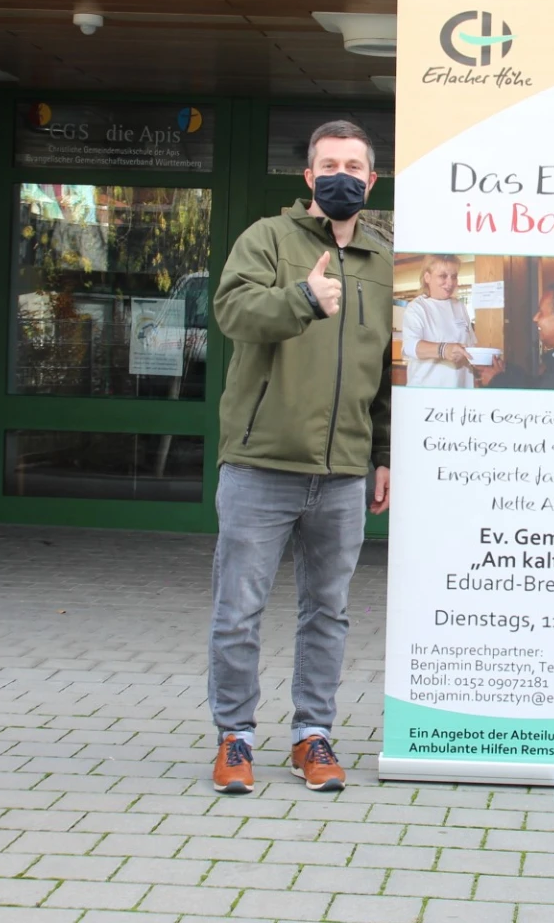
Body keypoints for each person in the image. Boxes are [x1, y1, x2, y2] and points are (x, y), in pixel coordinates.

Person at [207, 120, 393, 795]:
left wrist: (382, 453)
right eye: (329, 165)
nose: (342, 175)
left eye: (354, 166)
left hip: (342, 473)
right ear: (309, 176)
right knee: (238, 610)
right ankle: (235, 736)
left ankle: (312, 735)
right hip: (262, 463)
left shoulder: (383, 261)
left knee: (328, 613)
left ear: (372, 179)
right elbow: (232, 312)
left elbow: (385, 370)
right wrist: (302, 299)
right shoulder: (267, 238)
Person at [481, 280, 554, 391]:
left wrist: (496, 380)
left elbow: (541, 399)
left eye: (541, 313)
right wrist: (504, 370)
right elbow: (536, 385)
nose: (535, 318)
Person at [401, 254, 476, 388]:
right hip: (427, 390)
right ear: (427, 277)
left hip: (461, 388)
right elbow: (409, 346)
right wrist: (443, 350)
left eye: (454, 276)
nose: (450, 283)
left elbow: (471, 343)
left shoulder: (459, 306)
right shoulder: (417, 308)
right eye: (443, 276)